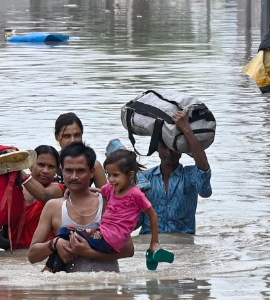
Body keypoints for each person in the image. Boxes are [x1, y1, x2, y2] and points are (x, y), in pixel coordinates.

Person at [44, 148, 172, 272]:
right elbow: (98, 191)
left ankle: (50, 269)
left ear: (131, 175)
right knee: (66, 240)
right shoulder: (111, 189)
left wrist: (154, 242)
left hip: (110, 240)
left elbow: (153, 215)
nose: (111, 179)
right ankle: (52, 270)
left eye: (116, 175)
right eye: (108, 174)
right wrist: (71, 190)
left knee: (66, 232)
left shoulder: (136, 194)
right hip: (103, 235)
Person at [28, 142, 135, 272]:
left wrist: (89, 252)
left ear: (92, 172)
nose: (74, 177)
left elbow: (129, 249)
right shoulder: (53, 207)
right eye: (68, 170)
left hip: (107, 288)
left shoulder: (108, 204)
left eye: (80, 171)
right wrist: (55, 243)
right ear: (61, 170)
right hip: (68, 289)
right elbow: (32, 255)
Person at [0, 145, 66, 250]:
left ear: (57, 170)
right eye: (41, 165)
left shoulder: (58, 189)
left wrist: (16, 168)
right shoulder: (14, 188)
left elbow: (43, 195)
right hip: (12, 251)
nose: (45, 170)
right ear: (31, 165)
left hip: (41, 251)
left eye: (51, 167)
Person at [139, 110, 212, 235]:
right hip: (150, 241)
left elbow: (204, 174)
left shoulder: (189, 176)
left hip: (183, 242)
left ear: (181, 149)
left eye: (174, 148)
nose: (169, 152)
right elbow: (136, 221)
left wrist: (186, 130)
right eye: (164, 147)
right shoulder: (144, 178)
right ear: (157, 148)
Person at [54, 113, 107, 188]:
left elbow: (106, 195)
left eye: (77, 135)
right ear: (57, 137)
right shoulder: (49, 163)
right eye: (67, 136)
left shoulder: (93, 164)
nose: (72, 140)